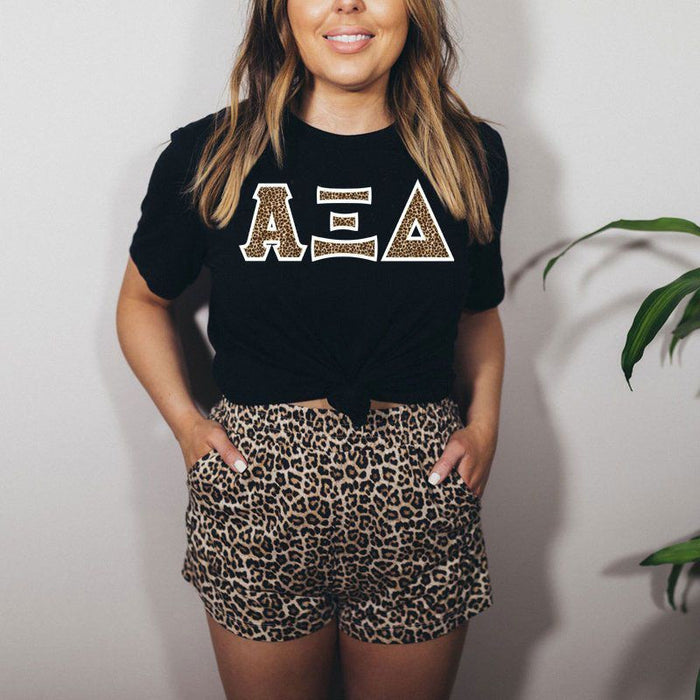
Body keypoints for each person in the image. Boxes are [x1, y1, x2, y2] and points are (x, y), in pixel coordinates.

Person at [116, 0, 509, 697]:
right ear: (281, 13)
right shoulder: (211, 152)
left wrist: (483, 426)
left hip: (419, 496)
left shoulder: (468, 154)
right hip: (259, 495)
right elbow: (142, 303)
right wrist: (186, 426)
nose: (347, 4)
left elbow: (478, 313)